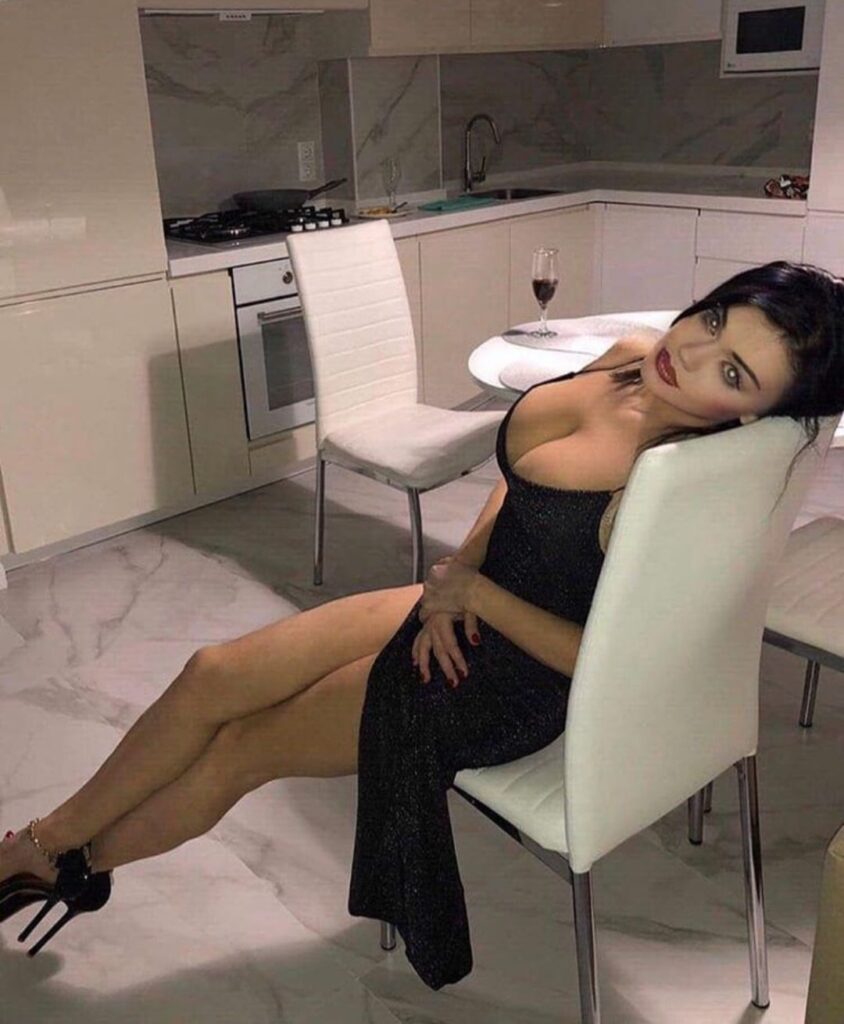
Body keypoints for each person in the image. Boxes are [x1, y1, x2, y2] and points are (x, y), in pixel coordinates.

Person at [2, 261, 843, 984]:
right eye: (713, 320)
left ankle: (66, 865)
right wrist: (457, 575)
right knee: (212, 674)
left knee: (242, 748)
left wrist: (476, 598)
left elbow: (611, 665)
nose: (689, 354)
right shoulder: (631, 357)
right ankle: (45, 841)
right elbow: (522, 480)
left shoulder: (672, 482)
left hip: (520, 670)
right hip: (468, 599)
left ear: (752, 415)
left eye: (732, 373)